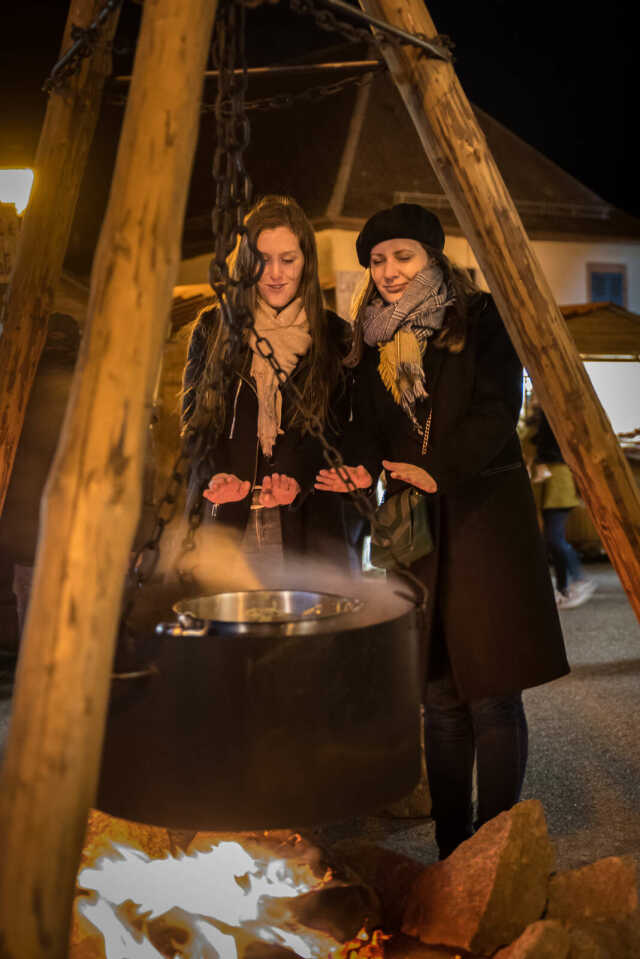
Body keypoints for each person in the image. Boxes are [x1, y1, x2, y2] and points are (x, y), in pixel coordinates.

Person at [316, 203, 570, 859]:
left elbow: (497, 406)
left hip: (484, 513)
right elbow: (368, 426)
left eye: (401, 255)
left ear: (431, 255)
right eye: (376, 260)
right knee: (439, 695)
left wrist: (438, 470)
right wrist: (361, 468)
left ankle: (497, 846)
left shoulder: (479, 318)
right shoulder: (367, 339)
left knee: (490, 691)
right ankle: (454, 848)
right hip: (415, 526)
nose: (389, 270)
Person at [182, 194, 353, 574]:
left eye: (287, 260)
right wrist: (214, 473)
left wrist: (298, 479)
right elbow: (196, 424)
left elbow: (337, 433)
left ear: (305, 261)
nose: (275, 273)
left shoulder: (334, 337)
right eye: (263, 260)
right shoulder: (215, 330)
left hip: (305, 527)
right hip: (228, 522)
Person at [526, 405, 596, 609]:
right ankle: (566, 587)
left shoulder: (553, 415)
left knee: (554, 539)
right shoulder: (543, 417)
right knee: (554, 539)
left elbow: (547, 444)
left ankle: (577, 580)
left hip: (558, 481)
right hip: (550, 481)